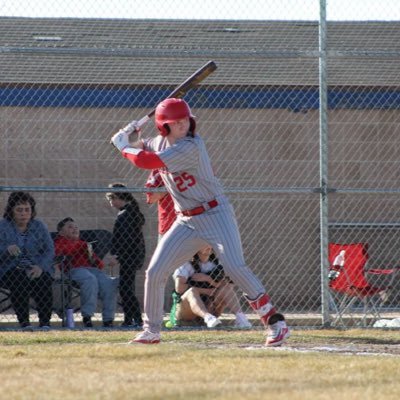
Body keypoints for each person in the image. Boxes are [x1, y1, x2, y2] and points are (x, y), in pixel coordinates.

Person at [111, 97, 290, 346]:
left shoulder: (191, 146)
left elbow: (146, 161)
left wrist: (122, 147)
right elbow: (142, 147)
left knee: (235, 267)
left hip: (216, 214)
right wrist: (130, 136)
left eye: (185, 119)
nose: (183, 124)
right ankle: (151, 330)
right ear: (164, 126)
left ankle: (275, 322)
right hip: (186, 221)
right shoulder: (159, 141)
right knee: (155, 271)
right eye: (176, 121)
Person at [0, 191, 54, 330]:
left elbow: (49, 250)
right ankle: (25, 323)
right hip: (9, 269)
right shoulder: (2, 226)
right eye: (19, 210)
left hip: (34, 267)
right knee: (18, 279)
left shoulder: (39, 226)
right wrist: (5, 250)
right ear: (11, 211)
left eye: (27, 210)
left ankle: (45, 323)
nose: (23, 213)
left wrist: (40, 267)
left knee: (44, 280)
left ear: (32, 211)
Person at [54, 217, 117, 328]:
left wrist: (92, 256)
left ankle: (108, 319)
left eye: (76, 227)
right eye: (70, 227)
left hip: (92, 271)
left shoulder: (84, 244)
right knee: (89, 278)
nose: (75, 229)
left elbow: (99, 266)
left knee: (109, 283)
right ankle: (87, 317)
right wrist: (81, 246)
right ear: (61, 233)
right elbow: (63, 254)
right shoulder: (60, 242)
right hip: (73, 271)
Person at [170, 246, 252, 329]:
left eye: (209, 243)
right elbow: (179, 289)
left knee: (226, 288)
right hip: (186, 312)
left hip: (210, 305)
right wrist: (206, 291)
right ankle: (207, 317)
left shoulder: (217, 263)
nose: (208, 246)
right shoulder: (185, 264)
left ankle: (241, 318)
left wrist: (209, 280)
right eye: (203, 244)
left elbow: (229, 285)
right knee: (192, 291)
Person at [106, 184, 146, 327]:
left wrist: (117, 256)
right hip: (132, 256)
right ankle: (129, 319)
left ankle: (137, 319)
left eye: (111, 199)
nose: (111, 203)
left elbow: (126, 239)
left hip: (129, 256)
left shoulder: (126, 215)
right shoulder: (131, 211)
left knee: (126, 289)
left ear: (117, 197)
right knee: (127, 288)